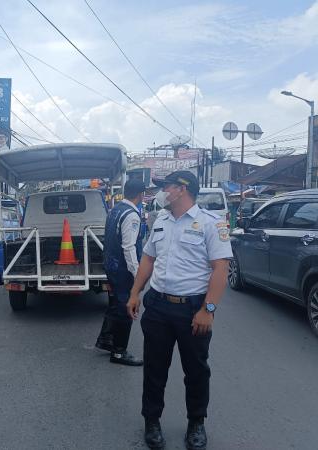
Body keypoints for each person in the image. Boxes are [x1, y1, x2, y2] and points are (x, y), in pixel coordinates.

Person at [126, 171, 232, 450]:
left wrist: (208, 309)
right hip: (158, 306)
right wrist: (135, 293)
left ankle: (196, 423)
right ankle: (152, 421)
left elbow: (220, 268)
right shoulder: (160, 221)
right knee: (154, 368)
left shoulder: (211, 223)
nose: (162, 192)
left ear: (182, 189)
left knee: (196, 371)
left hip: (193, 310)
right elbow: (148, 258)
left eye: (166, 187)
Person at [95, 179, 146, 366]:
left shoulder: (115, 210)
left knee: (116, 303)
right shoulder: (132, 215)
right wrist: (137, 274)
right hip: (123, 270)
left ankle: (106, 339)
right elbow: (129, 247)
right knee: (126, 308)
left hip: (111, 265)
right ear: (141, 194)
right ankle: (118, 352)